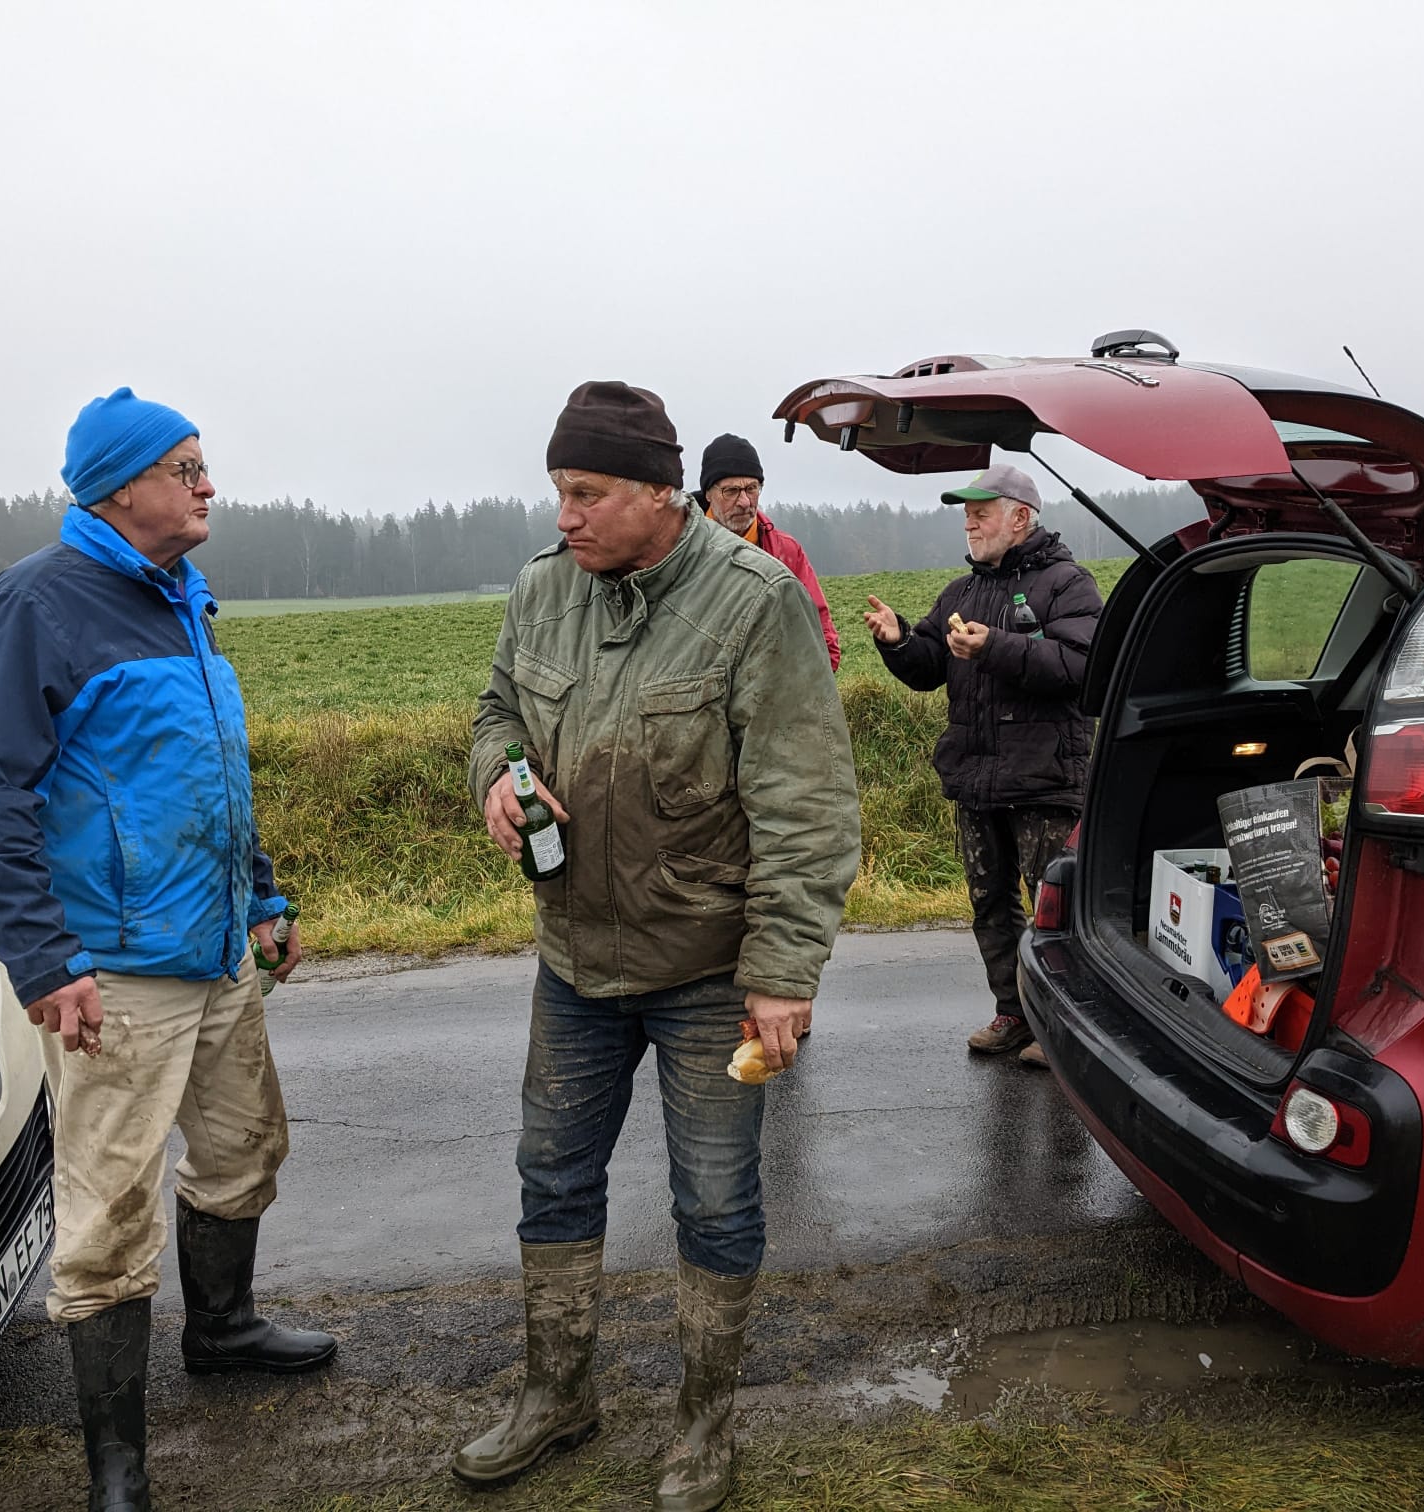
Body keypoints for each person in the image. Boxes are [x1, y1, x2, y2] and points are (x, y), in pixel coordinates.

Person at [457, 381, 861, 1512]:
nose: (564, 517)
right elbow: (496, 711)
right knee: (552, 1177)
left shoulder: (753, 603)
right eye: (557, 493)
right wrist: (499, 777)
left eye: (585, 494)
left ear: (655, 493)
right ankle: (557, 1393)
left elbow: (807, 807)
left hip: (709, 972)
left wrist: (783, 975)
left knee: (718, 1201)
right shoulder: (544, 591)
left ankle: (704, 1421)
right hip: (574, 960)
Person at [0, 388, 334, 1512]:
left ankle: (223, 1330)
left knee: (243, 1150)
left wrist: (261, 896)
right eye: (187, 468)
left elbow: (211, 776)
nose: (210, 485)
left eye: (205, 466)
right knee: (108, 1211)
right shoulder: (37, 604)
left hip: (215, 951)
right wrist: (46, 961)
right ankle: (117, 1465)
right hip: (111, 969)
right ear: (121, 488)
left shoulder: (183, 600)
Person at [861, 463, 1100, 1067]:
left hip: (1045, 778)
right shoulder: (960, 594)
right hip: (976, 778)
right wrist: (894, 641)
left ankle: (1064, 1026)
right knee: (989, 905)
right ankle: (1013, 1013)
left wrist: (995, 647)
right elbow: (925, 666)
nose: (969, 520)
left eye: (981, 510)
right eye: (965, 511)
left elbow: (1080, 666)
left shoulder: (1067, 584)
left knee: (1056, 908)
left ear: (1020, 517)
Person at [699, 433, 842, 672]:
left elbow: (817, 624)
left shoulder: (786, 551)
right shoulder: (681, 549)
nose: (744, 501)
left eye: (752, 488)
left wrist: (818, 675)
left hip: (772, 689)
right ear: (708, 494)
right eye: (731, 491)